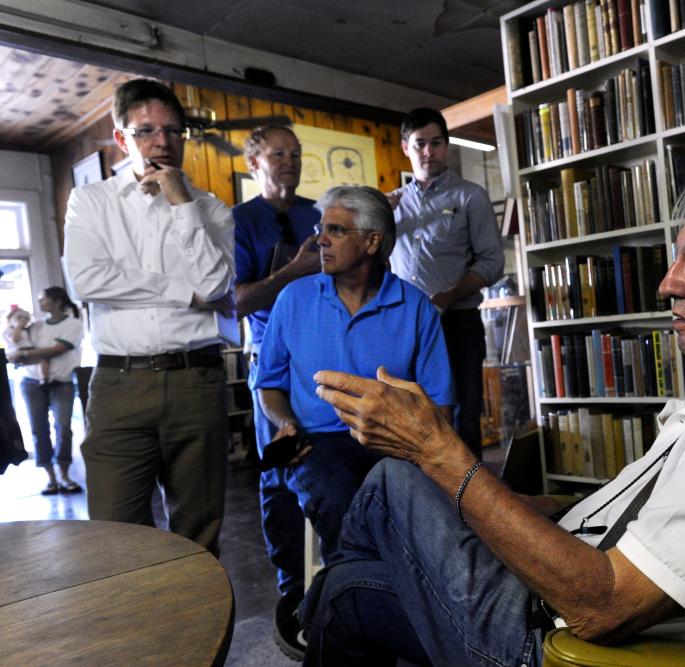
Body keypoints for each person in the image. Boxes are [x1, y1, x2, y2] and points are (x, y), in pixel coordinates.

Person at [303, 165, 685, 665]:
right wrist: (526, 508)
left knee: (396, 476)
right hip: (550, 599)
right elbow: (650, 524)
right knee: (344, 591)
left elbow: (604, 606)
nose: (666, 283)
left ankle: (311, 613)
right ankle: (317, 608)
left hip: (558, 647)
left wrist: (437, 451)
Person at [254, 185, 454, 659]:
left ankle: (335, 607)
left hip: (393, 439)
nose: (319, 239)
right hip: (316, 440)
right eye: (320, 228)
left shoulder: (416, 307)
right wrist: (285, 423)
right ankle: (386, 612)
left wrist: (424, 452)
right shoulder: (293, 299)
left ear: (372, 241)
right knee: (335, 494)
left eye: (335, 230)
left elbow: (440, 408)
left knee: (402, 497)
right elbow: (269, 385)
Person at [62, 78, 235, 553]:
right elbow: (88, 281)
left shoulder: (212, 210)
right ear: (122, 138)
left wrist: (182, 203)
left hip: (195, 380)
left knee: (200, 532)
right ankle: (134, 629)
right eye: (145, 131)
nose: (161, 141)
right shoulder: (91, 202)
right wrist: (184, 292)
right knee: (115, 532)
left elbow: (217, 286)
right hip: (120, 384)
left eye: (173, 130)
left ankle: (201, 627)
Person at [388, 107, 504, 458]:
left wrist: (448, 296)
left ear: (446, 146)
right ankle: (423, 506)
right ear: (406, 147)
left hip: (458, 324)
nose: (429, 152)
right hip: (404, 327)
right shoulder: (390, 205)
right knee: (412, 418)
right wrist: (379, 212)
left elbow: (493, 261)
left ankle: (470, 510)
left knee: (463, 416)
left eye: (436, 143)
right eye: (420, 143)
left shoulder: (470, 196)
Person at [234, 124, 322, 449]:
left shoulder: (320, 213)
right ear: (254, 163)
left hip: (321, 353)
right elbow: (236, 303)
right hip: (271, 362)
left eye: (296, 154)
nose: (290, 161)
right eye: (279, 154)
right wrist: (294, 270)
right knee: (280, 462)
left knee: (326, 455)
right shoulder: (239, 221)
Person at [6, 288, 84, 495]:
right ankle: (50, 478)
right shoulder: (36, 326)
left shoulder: (73, 324)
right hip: (31, 383)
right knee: (39, 430)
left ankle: (65, 474)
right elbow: (15, 351)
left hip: (62, 382)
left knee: (63, 428)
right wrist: (23, 354)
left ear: (57, 301)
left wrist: (24, 354)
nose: (40, 304)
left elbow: (58, 349)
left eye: (44, 300)